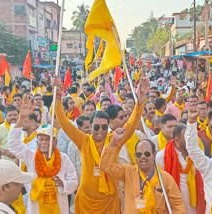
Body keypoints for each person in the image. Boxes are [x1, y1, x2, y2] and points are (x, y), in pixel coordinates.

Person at [54, 76, 148, 214]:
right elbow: (62, 121)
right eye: (96, 127)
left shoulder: (114, 140)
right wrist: (57, 95)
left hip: (110, 201)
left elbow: (132, 124)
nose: (100, 131)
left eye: (104, 127)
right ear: (90, 126)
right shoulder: (83, 140)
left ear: (109, 125)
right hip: (86, 202)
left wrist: (141, 100)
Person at [9, 96, 78, 214]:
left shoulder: (63, 158)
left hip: (58, 206)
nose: (44, 142)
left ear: (55, 142)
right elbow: (13, 145)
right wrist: (22, 118)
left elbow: (74, 181)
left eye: (48, 140)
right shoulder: (31, 156)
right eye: (41, 140)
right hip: (37, 207)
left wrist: (63, 184)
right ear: (36, 143)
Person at [100, 129, 186, 213]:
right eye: (139, 154)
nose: (143, 157)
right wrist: (114, 141)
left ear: (154, 154)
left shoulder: (165, 178)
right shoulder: (128, 172)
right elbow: (105, 166)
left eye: (147, 154)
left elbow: (177, 204)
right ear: (135, 156)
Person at [156, 124, 206, 214]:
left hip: (195, 206)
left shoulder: (198, 154)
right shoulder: (162, 156)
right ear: (177, 139)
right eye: (186, 136)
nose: (191, 138)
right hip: (174, 205)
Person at [68, 115, 91, 182]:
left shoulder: (95, 141)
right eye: (87, 127)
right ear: (79, 128)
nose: (90, 129)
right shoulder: (73, 144)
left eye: (91, 126)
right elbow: (72, 166)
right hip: (80, 181)